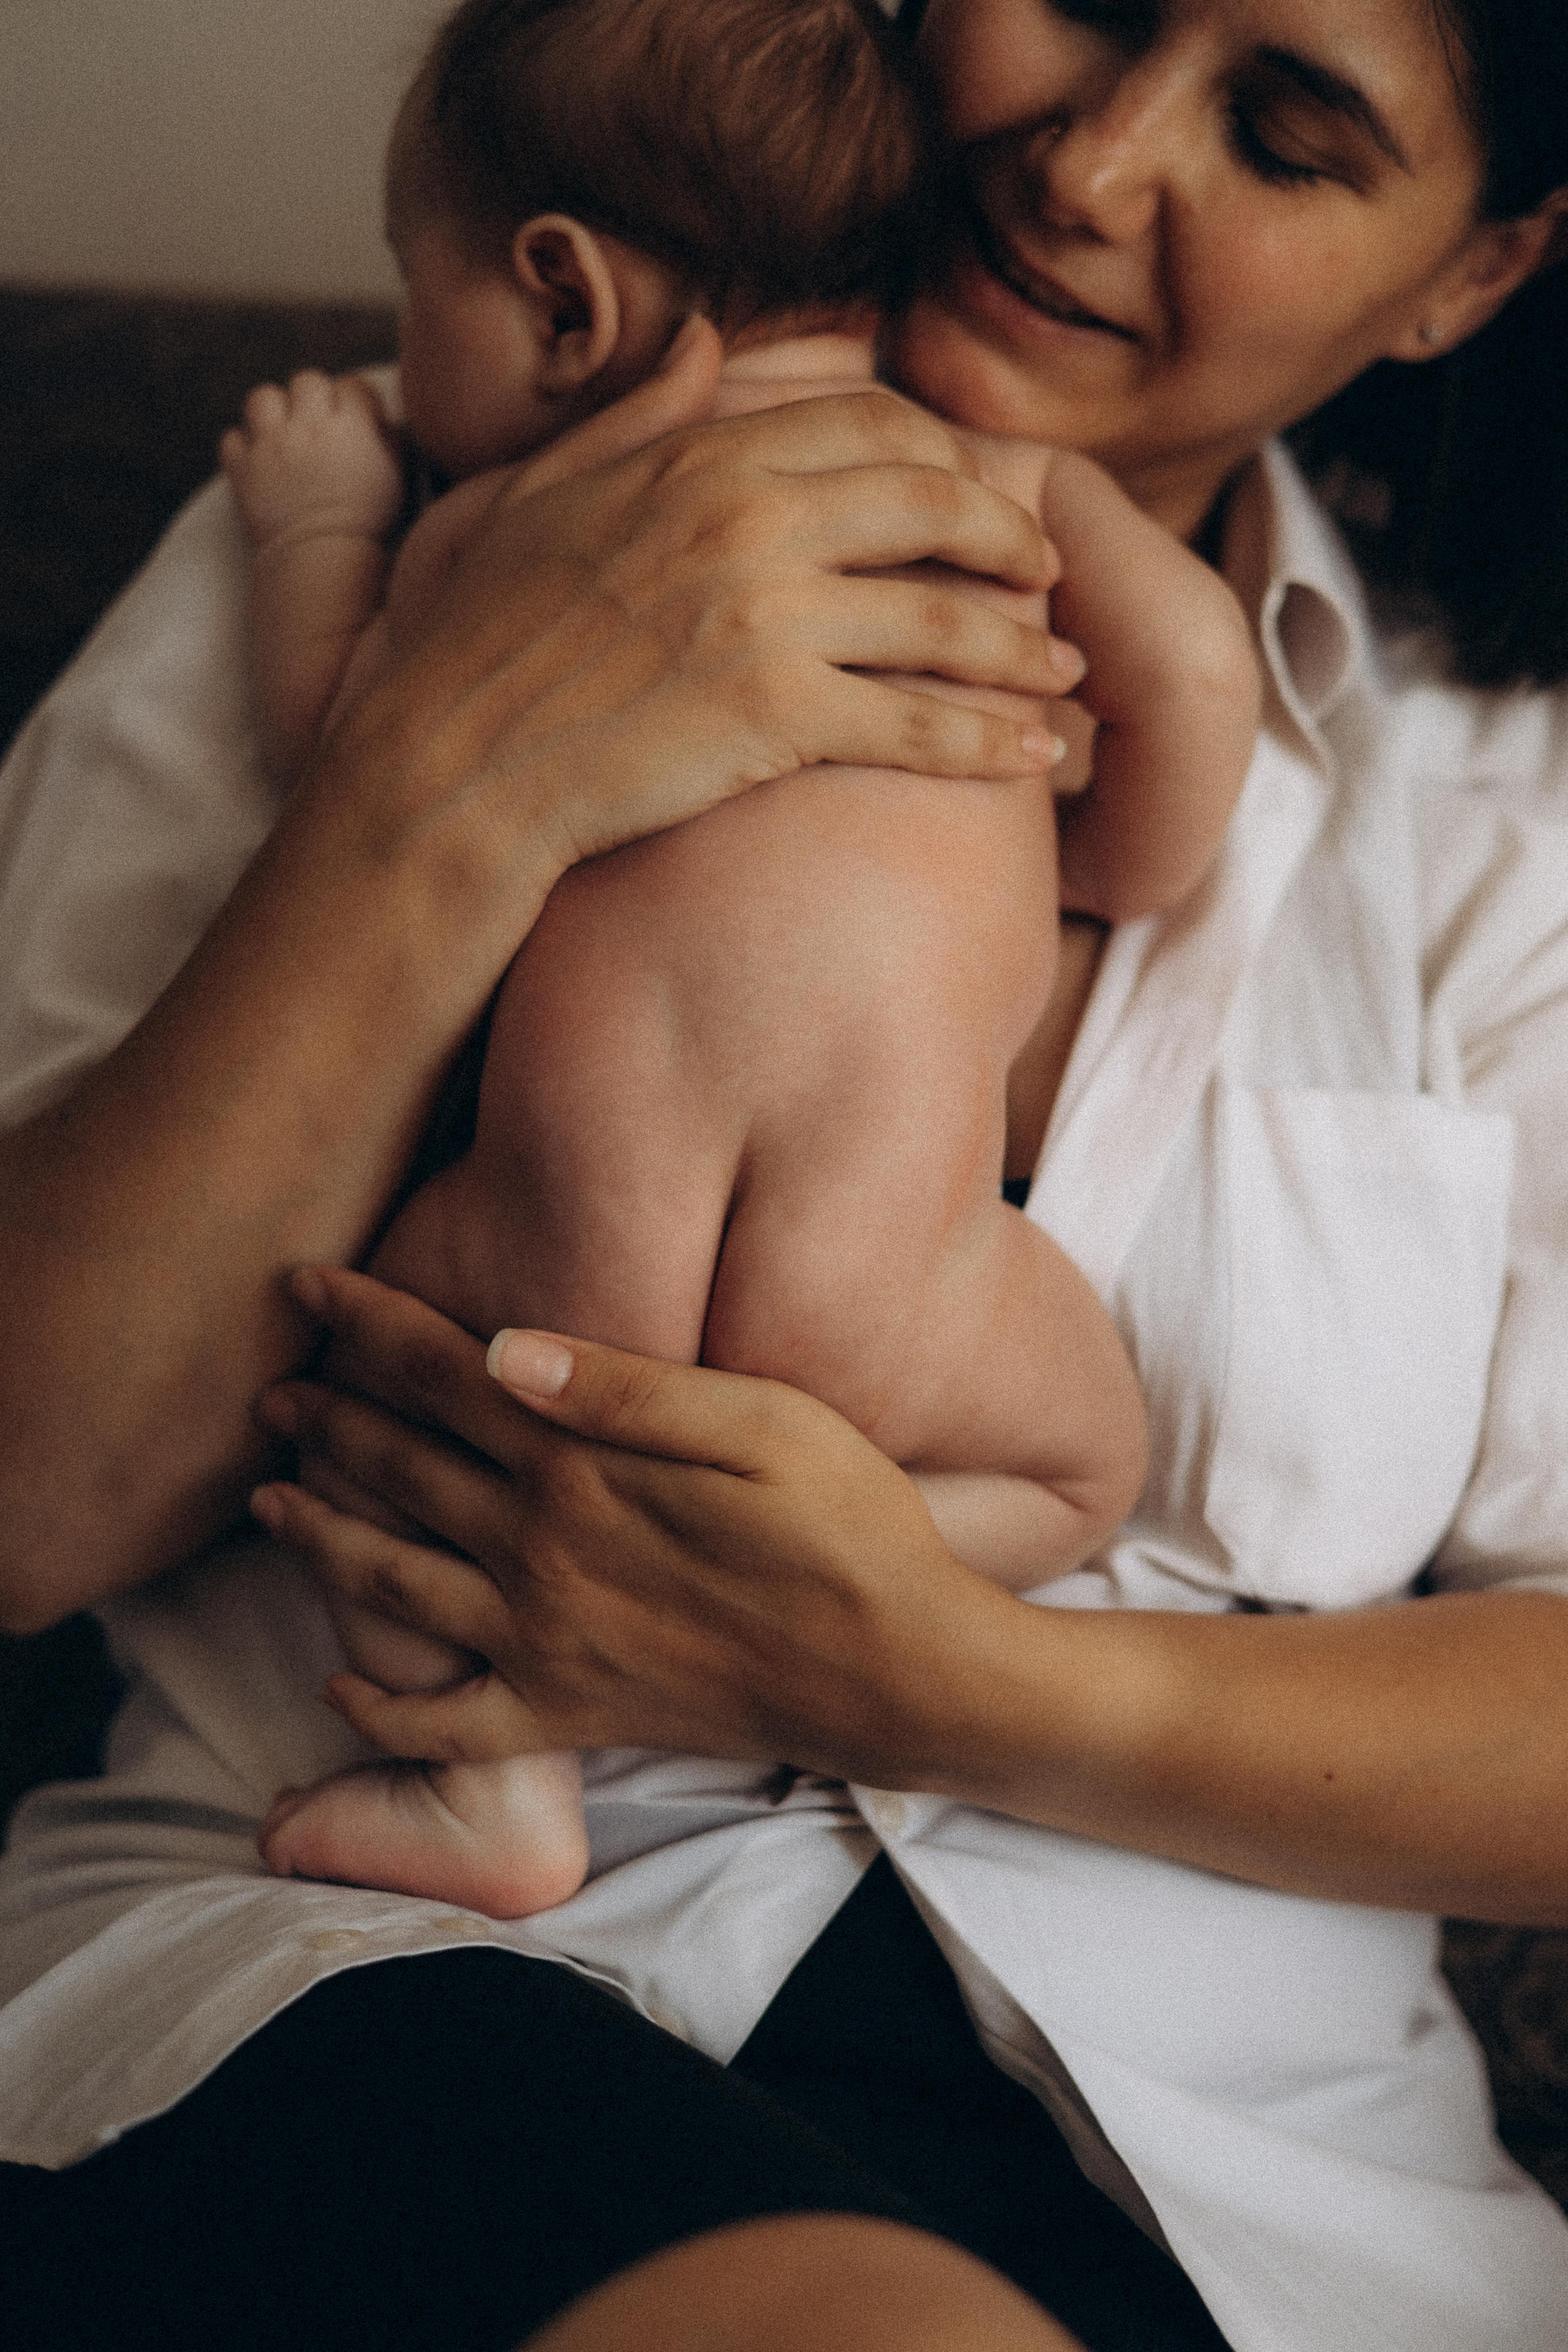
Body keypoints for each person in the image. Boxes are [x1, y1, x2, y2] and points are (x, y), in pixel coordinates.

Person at [4, 0, 1568, 2346]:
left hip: (1252, 2188)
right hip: (372, 1982)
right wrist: (458, 769)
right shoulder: (426, 508)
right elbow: (31, 1490)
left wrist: (934, 1671)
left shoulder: (1496, 822)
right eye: (1096, 3)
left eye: (1284, 128)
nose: (1095, 162)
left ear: (1467, 274)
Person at [220, 0, 1256, 1920]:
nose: (393, 353)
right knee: (1090, 1471)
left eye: (404, 293)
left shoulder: (506, 543)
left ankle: (501, 1782)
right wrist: (1104, 867)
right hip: (892, 1286)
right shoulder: (999, 481)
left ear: (563, 302)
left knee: (339, 1393)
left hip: (546, 1279)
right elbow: (1198, 670)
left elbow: (327, 760)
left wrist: (315, 525)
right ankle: (864, 1557)